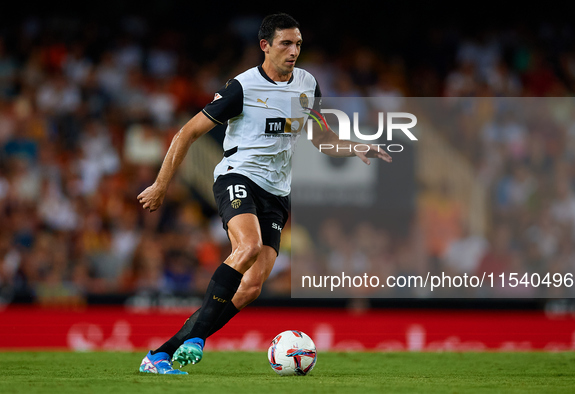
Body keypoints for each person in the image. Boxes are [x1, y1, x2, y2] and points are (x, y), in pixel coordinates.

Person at [137, 13, 391, 375]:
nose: (294, 50)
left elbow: (322, 140)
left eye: (298, 43)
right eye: (286, 43)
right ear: (265, 46)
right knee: (248, 247)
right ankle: (195, 341)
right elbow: (186, 133)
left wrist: (356, 147)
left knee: (253, 285)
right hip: (237, 175)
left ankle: (162, 353)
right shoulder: (241, 88)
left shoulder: (307, 85)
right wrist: (161, 185)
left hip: (277, 192)